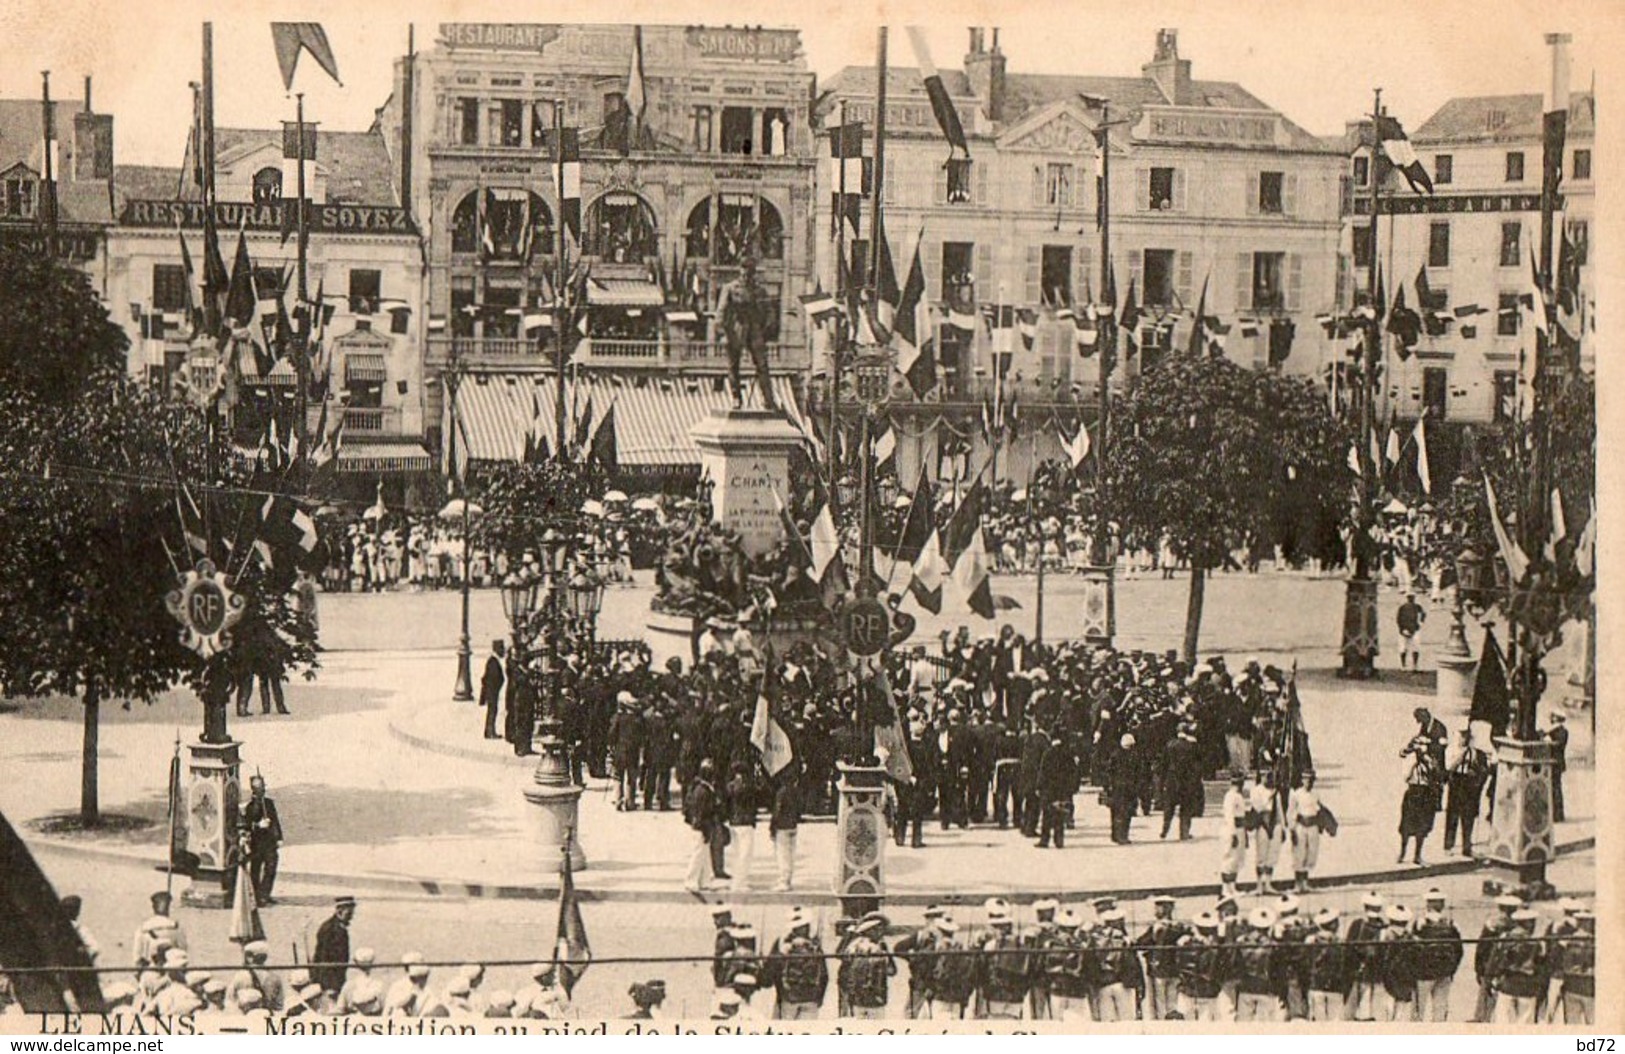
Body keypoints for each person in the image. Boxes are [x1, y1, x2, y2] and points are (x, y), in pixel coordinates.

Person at [1412, 889, 1464, 1022]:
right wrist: (1452, 969)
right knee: (1440, 1010)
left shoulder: (1420, 924)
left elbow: (1412, 948)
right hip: (1445, 972)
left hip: (1423, 973)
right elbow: (1459, 949)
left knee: (1418, 1011)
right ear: (1442, 905)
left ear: (1428, 904)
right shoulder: (1451, 924)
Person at [765, 910, 827, 1020]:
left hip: (788, 998)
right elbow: (824, 974)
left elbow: (772, 970)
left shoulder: (782, 943)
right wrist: (820, 997)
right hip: (810, 998)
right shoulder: (815, 946)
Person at [1136, 895, 1188, 1021]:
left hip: (1158, 970)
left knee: (1159, 1005)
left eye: (1157, 907)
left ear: (1164, 909)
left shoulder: (1158, 927)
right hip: (1173, 970)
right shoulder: (1179, 927)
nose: (1155, 910)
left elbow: (1141, 943)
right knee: (1171, 1004)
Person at [1443, 727, 1490, 856]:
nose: (1463, 740)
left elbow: (1484, 771)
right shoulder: (1451, 750)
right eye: (1460, 736)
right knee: (1453, 814)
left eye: (1465, 737)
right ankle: (1448, 845)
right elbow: (1448, 768)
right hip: (1457, 782)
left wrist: (1476, 775)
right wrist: (1461, 755)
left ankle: (1467, 846)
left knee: (1468, 816)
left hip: (1469, 785)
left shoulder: (1477, 753)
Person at [837, 914, 894, 1019]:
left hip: (875, 997)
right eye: (877, 930)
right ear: (868, 930)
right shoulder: (855, 946)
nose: (881, 933)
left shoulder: (881, 946)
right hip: (861, 997)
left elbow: (891, 970)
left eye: (881, 929)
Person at [1398, 733, 1441, 866]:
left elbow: (1436, 773)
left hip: (1426, 792)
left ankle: (1417, 855)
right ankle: (1402, 852)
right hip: (1413, 791)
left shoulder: (1431, 759)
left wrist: (1428, 762)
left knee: (1422, 825)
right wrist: (1414, 762)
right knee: (1407, 824)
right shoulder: (1410, 760)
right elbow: (1405, 776)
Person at [683, 759, 725, 892]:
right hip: (701, 827)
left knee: (705, 854)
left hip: (702, 826)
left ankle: (705, 880)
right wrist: (705, 828)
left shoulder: (701, 788)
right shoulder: (703, 791)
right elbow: (701, 812)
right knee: (698, 853)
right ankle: (690, 880)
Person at [1302, 908, 1348, 1022]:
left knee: (1318, 1022)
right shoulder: (1340, 941)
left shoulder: (1311, 940)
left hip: (1316, 984)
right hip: (1335, 986)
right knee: (1335, 1022)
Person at [243, 775, 283, 903]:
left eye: (262, 787)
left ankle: (265, 894)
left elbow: (275, 821)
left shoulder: (269, 803)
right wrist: (258, 825)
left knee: (271, 867)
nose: (262, 791)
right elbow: (247, 825)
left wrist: (279, 837)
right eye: (259, 788)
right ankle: (256, 896)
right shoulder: (250, 807)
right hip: (257, 843)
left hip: (270, 842)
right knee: (255, 869)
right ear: (254, 790)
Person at [1036, 730, 1078, 849]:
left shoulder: (1048, 753)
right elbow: (1073, 772)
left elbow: (1043, 771)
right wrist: (1072, 787)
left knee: (1047, 814)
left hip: (1049, 788)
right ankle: (1059, 840)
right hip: (1062, 787)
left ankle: (1045, 839)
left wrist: (1039, 786)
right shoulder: (1067, 754)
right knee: (1060, 813)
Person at [1286, 772, 1325, 893]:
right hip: (1300, 826)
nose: (1309, 782)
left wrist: (1321, 824)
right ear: (1302, 780)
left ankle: (1305, 883)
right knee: (1299, 853)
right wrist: (1292, 829)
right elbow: (1291, 812)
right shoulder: (1296, 794)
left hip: (1312, 826)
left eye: (1311, 780)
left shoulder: (1316, 794)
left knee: (1311, 853)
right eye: (1306, 780)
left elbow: (1319, 811)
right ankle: (1297, 884)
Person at [311, 895, 356, 998]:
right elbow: (323, 957)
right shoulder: (330, 929)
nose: (352, 916)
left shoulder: (337, 926)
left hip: (337, 977)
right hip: (330, 981)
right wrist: (330, 985)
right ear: (340, 911)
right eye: (349, 913)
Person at [226, 941, 285, 1013]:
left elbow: (231, 999)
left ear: (249, 957)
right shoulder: (274, 978)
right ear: (265, 957)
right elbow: (279, 1005)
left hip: (246, 1017)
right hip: (268, 1016)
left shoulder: (240, 976)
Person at [132, 891, 187, 969]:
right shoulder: (176, 927)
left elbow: (137, 956)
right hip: (173, 968)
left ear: (154, 907)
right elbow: (183, 950)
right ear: (168, 907)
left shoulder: (143, 928)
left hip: (150, 968)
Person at [1219, 772, 1249, 897]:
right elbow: (1229, 816)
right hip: (1232, 829)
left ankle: (1233, 887)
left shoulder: (1239, 796)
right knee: (1230, 859)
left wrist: (1244, 833)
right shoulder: (1230, 796)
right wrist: (1233, 834)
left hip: (1240, 828)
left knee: (1237, 859)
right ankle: (1226, 889)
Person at [769, 774, 800, 892]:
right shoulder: (795, 792)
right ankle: (788, 879)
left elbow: (777, 811)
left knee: (782, 855)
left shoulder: (781, 793)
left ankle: (784, 881)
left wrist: (772, 827)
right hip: (793, 825)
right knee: (791, 855)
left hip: (782, 826)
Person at [481, 640, 506, 740]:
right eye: (501, 649)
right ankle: (490, 732)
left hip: (492, 691)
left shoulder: (492, 660)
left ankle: (489, 731)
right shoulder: (493, 662)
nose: (503, 651)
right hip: (492, 691)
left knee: (492, 710)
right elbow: (493, 678)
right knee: (492, 710)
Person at [1546, 712, 1568, 822]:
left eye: (1553, 717)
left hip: (1556, 763)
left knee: (1555, 788)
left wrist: (1549, 741)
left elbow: (1558, 745)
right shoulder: (1555, 731)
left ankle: (1557, 814)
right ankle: (1556, 814)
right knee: (1555, 787)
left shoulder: (1561, 732)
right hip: (1556, 763)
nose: (1551, 718)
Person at [1396, 593, 1425, 669]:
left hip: (1415, 629)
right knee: (1403, 648)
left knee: (1415, 648)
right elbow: (1399, 619)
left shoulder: (1417, 607)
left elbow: (1423, 614)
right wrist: (1402, 629)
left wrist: (1420, 623)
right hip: (1405, 630)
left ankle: (1414, 665)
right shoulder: (1402, 607)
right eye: (1409, 597)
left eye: (1412, 597)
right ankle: (1403, 665)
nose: (1411, 599)